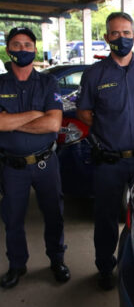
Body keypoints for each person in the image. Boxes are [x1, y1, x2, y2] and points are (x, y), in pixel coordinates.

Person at [76, 12, 134, 291]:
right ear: (106, 38)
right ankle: (105, 268)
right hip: (109, 161)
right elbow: (84, 112)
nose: (121, 38)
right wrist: (111, 127)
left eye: (126, 33)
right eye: (115, 33)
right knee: (105, 218)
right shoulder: (95, 73)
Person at [0, 27, 70, 289]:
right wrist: (33, 114)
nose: (22, 50)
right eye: (16, 45)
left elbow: (53, 124)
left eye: (28, 45)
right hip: (11, 166)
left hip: (45, 163)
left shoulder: (47, 82)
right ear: (8, 49)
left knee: (54, 214)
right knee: (13, 218)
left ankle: (57, 260)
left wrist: (9, 122)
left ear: (35, 50)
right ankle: (17, 265)